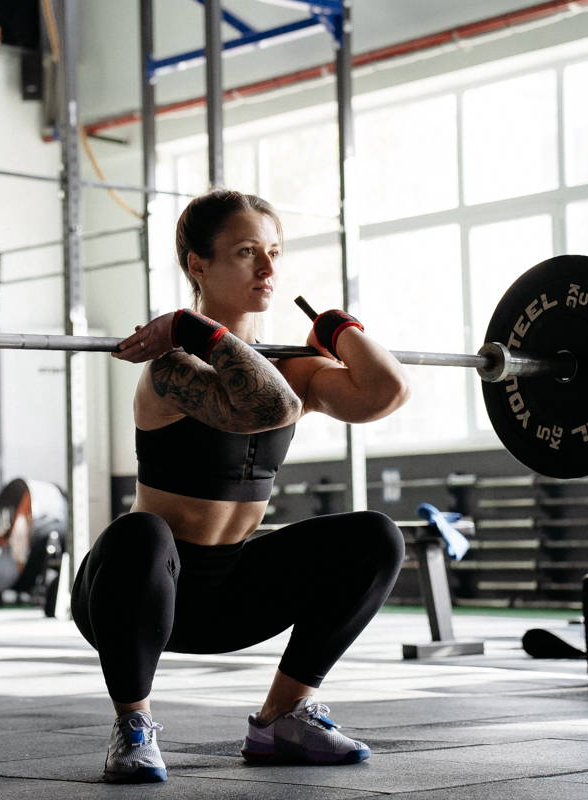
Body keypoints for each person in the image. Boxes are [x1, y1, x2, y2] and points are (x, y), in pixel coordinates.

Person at [73, 189, 410, 784]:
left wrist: (338, 328)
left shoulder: (292, 367)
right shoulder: (170, 363)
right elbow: (265, 404)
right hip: (140, 594)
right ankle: (133, 726)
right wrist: (190, 328)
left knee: (376, 538)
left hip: (231, 597)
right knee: (140, 534)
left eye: (274, 252)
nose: (269, 270)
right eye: (247, 252)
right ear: (197, 264)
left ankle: (283, 716)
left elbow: (385, 392)